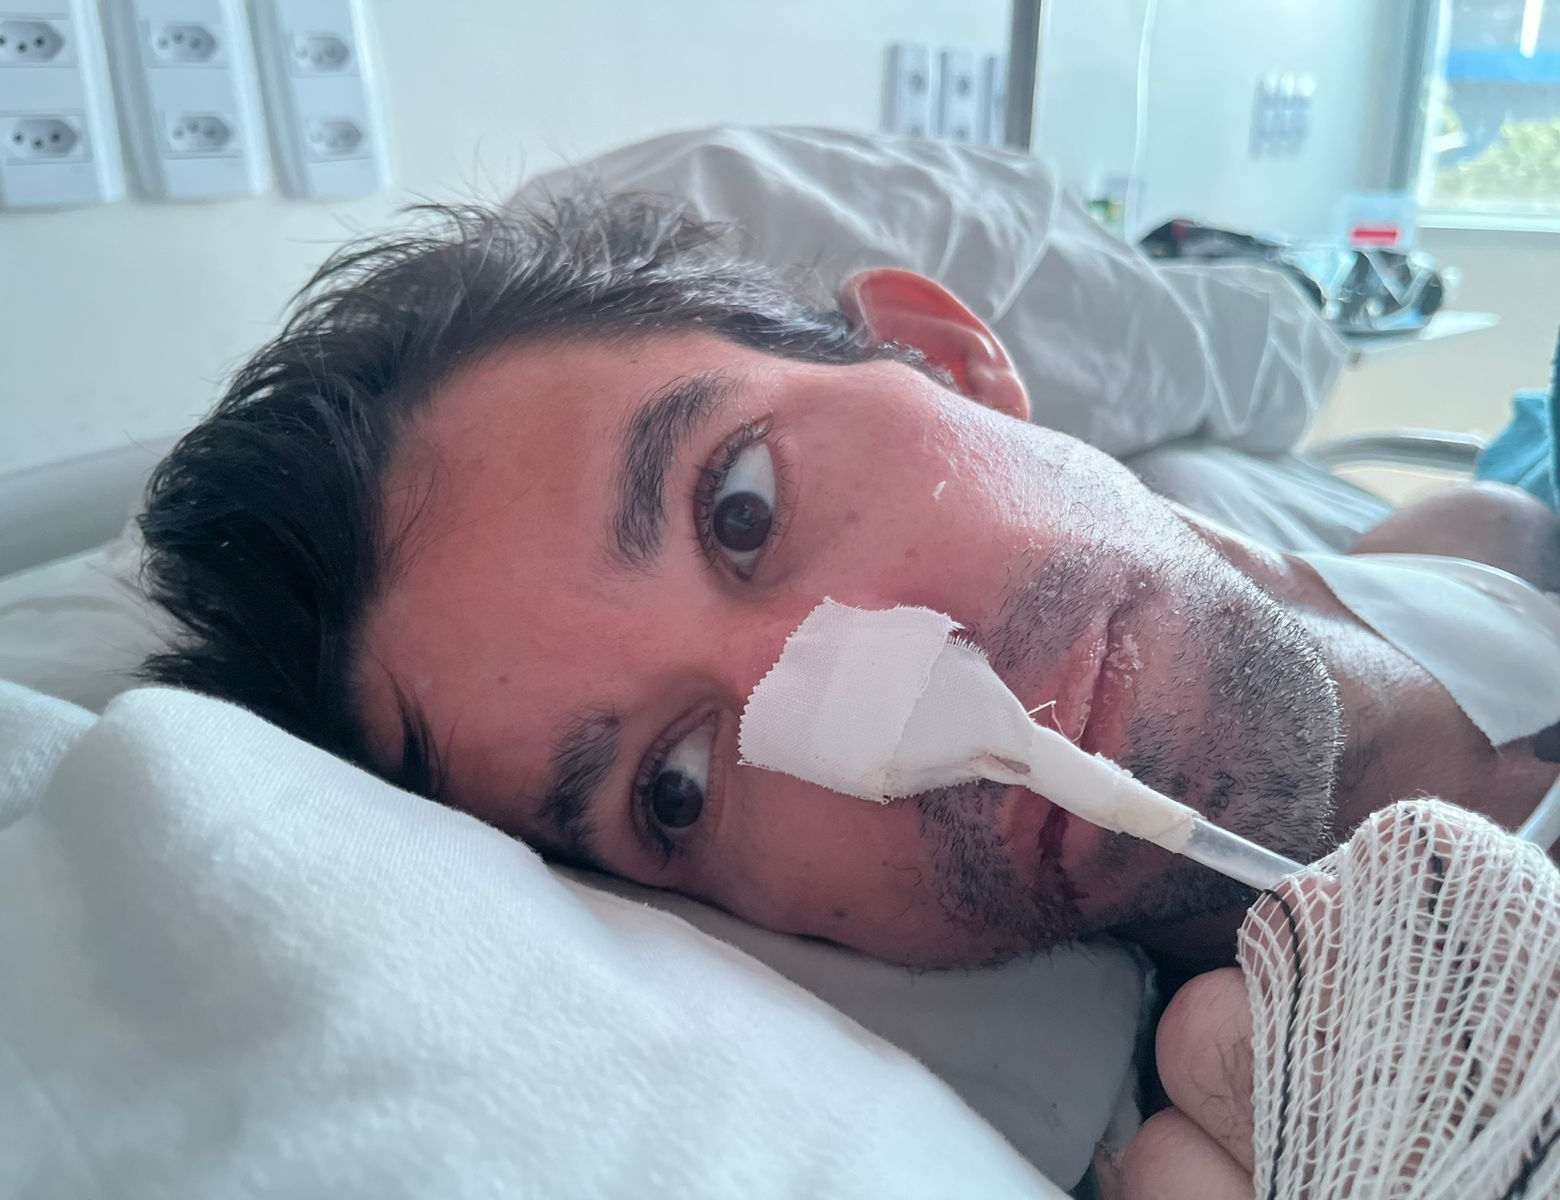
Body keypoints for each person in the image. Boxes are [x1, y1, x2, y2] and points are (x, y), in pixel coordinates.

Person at [137, 193, 1560, 1188]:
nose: (886, 701)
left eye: (742, 508)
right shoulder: (1270, 1134)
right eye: (674, 788)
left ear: (945, 362)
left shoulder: (1470, 546)